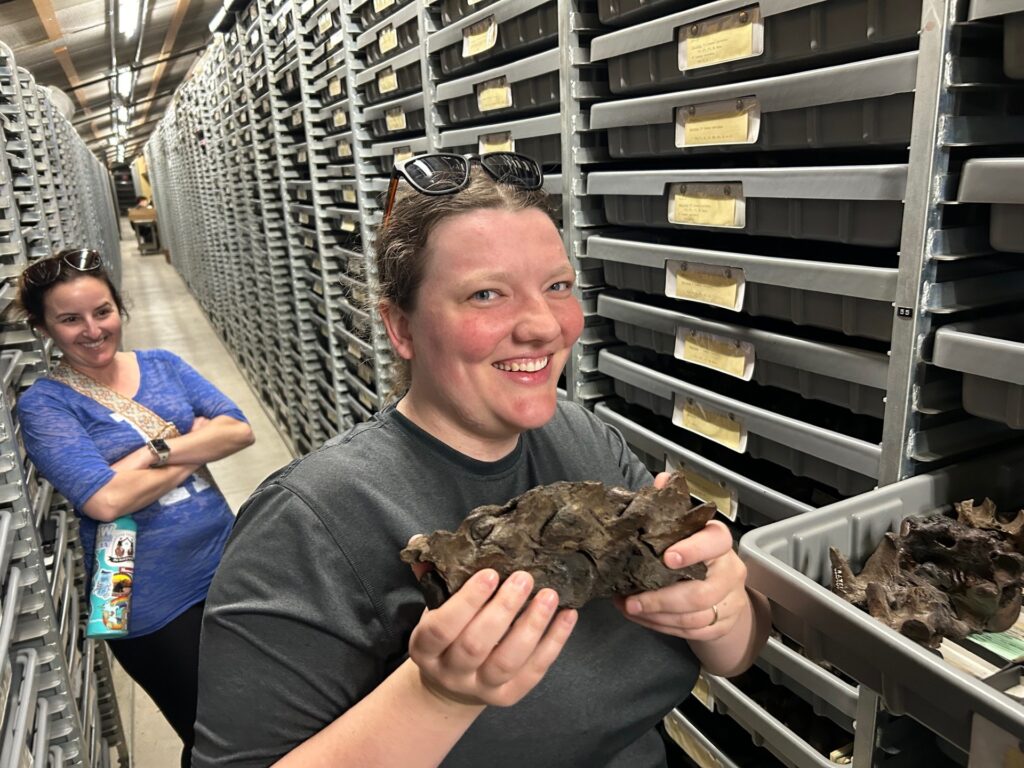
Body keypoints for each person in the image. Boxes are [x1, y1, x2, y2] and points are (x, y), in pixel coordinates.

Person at [192, 154, 771, 767]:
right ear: (401, 328)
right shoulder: (309, 521)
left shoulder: (585, 440)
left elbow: (736, 652)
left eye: (557, 286)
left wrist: (726, 611)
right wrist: (436, 695)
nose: (544, 326)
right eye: (486, 294)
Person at [15, 248, 255, 768]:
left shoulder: (163, 365)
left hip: (226, 557)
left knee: (263, 708)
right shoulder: (44, 405)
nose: (92, 329)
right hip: (130, 591)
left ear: (119, 307)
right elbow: (103, 500)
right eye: (70, 319)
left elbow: (238, 430)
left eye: (102, 311)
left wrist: (149, 454)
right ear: (43, 327)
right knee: (214, 736)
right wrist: (193, 443)